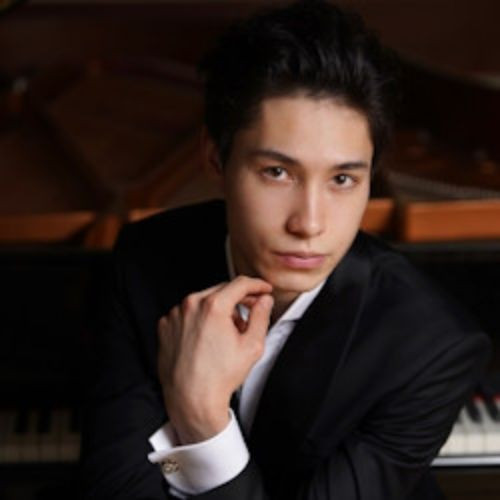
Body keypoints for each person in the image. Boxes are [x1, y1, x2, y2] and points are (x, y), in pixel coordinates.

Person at [80, 1, 491, 499]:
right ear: (215, 159)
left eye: (342, 179)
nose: (309, 224)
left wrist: (202, 418)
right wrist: (190, 445)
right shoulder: (144, 258)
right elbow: (119, 483)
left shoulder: (431, 346)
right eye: (277, 172)